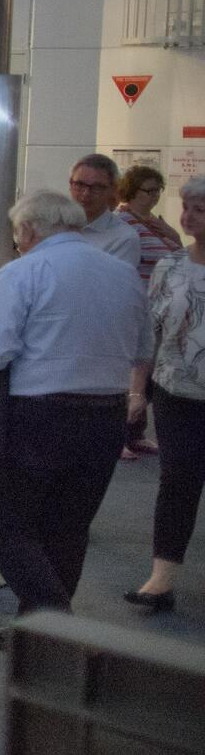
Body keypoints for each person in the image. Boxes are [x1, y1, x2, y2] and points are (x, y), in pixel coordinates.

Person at [0, 189, 152, 649]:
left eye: (17, 234)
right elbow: (144, 347)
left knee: (5, 522)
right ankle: (39, 631)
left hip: (38, 415)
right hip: (105, 416)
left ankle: (55, 618)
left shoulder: (23, 272)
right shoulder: (123, 274)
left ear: (28, 230)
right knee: (68, 527)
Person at [124, 176, 205, 613]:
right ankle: (161, 579)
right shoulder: (171, 266)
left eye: (200, 210)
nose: (188, 217)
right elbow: (150, 335)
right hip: (177, 394)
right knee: (177, 484)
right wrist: (138, 393)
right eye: (187, 207)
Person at [117, 164, 183, 460]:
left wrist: (173, 236)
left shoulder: (155, 222)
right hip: (134, 306)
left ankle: (135, 432)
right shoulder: (124, 224)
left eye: (158, 190)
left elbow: (177, 256)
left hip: (159, 309)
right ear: (132, 191)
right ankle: (118, 435)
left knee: (146, 373)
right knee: (128, 373)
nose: (155, 196)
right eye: (149, 190)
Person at [70, 153, 144, 272]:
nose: (85, 194)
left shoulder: (123, 238)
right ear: (70, 184)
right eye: (79, 185)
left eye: (97, 187)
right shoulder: (52, 227)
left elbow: (110, 286)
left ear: (113, 190)